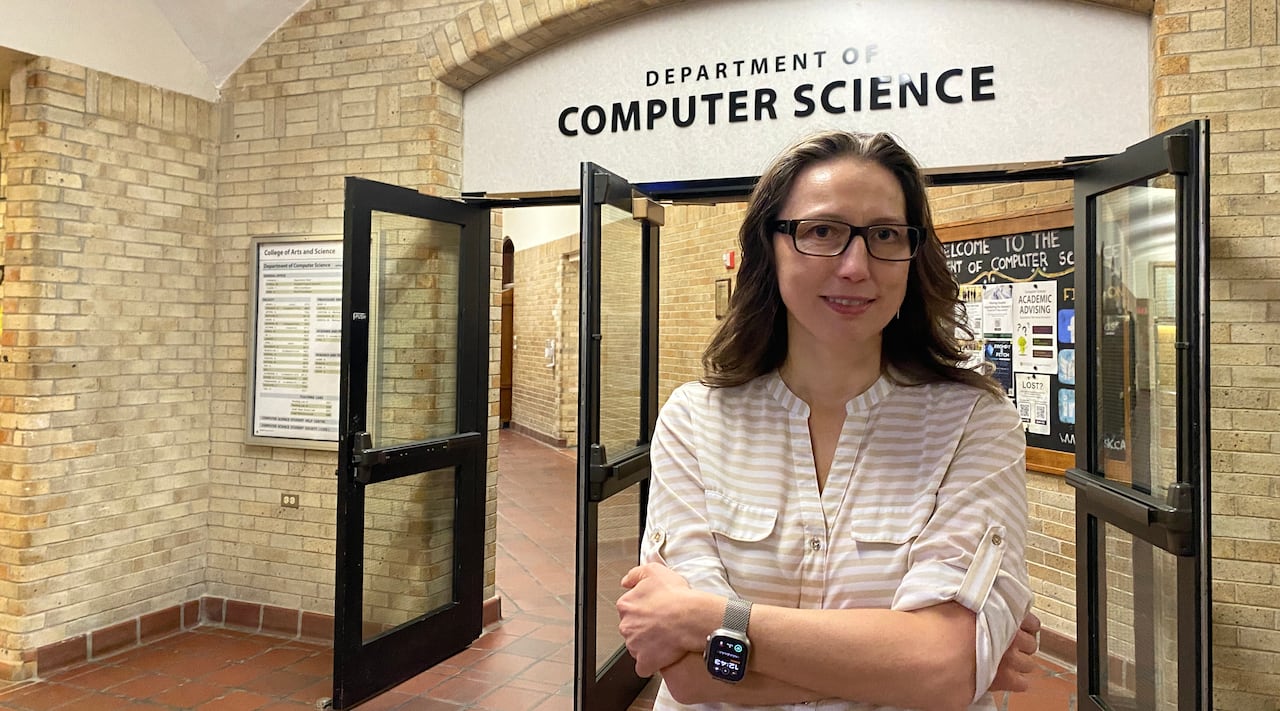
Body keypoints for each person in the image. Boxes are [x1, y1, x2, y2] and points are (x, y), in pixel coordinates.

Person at [616, 130, 1039, 711]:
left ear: (913, 255)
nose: (855, 266)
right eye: (822, 231)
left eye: (885, 235)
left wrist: (710, 618)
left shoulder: (974, 422)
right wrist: (920, 665)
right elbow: (689, 677)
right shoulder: (695, 420)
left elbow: (942, 665)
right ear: (770, 247)